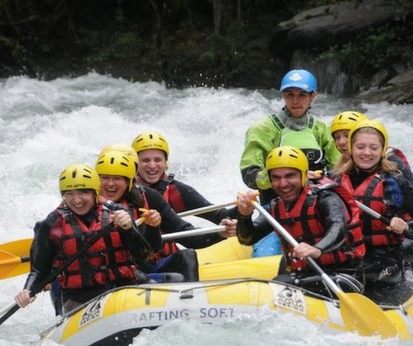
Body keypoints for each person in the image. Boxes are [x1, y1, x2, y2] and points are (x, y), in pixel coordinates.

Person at [14, 163, 155, 315]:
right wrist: (28, 290)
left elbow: (145, 259)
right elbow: (40, 269)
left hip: (124, 288)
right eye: (69, 193)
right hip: (80, 298)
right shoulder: (51, 224)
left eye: (83, 192)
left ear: (95, 193)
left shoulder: (118, 213)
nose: (77, 200)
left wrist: (129, 229)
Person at [333, 119, 413, 304]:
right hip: (348, 254)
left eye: (373, 148)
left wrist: (407, 225)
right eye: (360, 147)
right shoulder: (334, 179)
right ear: (350, 149)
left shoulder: (395, 181)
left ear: (382, 151)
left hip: (384, 259)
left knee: (354, 274)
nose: (367, 153)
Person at [235, 146, 366, 296]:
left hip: (345, 276)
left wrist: (318, 248)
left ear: (304, 175)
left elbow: (338, 228)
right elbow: (247, 238)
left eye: (290, 176)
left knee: (282, 283)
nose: (283, 184)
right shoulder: (276, 206)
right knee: (281, 279)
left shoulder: (326, 198)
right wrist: (244, 216)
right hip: (305, 274)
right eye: (276, 178)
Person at [95, 149, 236, 282]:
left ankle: (189, 300)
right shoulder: (85, 202)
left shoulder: (149, 197)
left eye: (118, 177)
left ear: (129, 179)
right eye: (105, 177)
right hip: (107, 276)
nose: (110, 184)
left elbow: (183, 233)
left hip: (145, 268)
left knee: (186, 256)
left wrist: (220, 233)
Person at [240, 69, 340, 204]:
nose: (295, 100)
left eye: (302, 95)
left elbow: (339, 169)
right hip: (275, 204)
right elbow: (250, 174)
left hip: (316, 204)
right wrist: (291, 179)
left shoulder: (322, 130)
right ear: (283, 95)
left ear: (313, 96)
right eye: (289, 94)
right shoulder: (262, 129)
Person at [131, 131, 239, 224]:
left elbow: (220, 216)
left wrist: (242, 209)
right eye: (145, 160)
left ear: (165, 163)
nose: (152, 165)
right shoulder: (122, 189)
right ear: (135, 164)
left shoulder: (177, 192)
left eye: (158, 160)